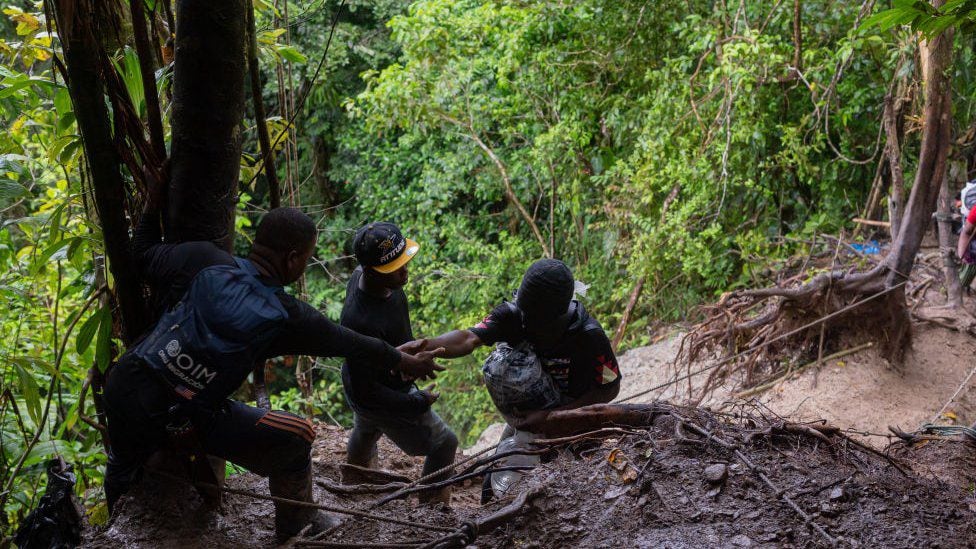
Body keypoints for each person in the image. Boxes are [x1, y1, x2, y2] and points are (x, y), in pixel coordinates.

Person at [102, 206, 444, 542]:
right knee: (296, 436)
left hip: (125, 387)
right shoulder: (284, 315)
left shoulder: (202, 260)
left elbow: (142, 254)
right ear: (293, 259)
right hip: (186, 417)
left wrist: (152, 203)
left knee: (122, 465)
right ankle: (298, 524)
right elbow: (347, 342)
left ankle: (111, 525)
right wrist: (399, 360)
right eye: (307, 259)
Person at [418, 259, 622, 499]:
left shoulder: (588, 337)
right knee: (502, 467)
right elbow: (467, 338)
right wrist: (425, 347)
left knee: (553, 482)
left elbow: (609, 388)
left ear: (556, 314)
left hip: (570, 417)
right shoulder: (516, 315)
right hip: (532, 414)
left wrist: (552, 418)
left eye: (533, 318)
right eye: (522, 311)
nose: (525, 322)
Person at [339, 222, 458, 504]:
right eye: (395, 268)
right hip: (379, 392)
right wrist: (417, 401)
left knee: (366, 426)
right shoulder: (359, 320)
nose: (405, 270)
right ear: (370, 271)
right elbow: (369, 393)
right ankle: (431, 506)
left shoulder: (370, 278)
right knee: (445, 443)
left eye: (404, 261)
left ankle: (353, 476)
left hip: (363, 380)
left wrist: (403, 355)